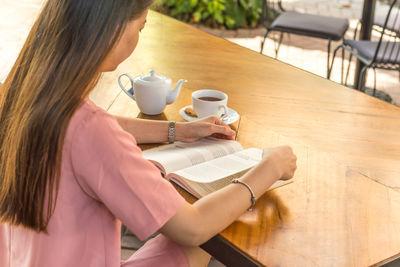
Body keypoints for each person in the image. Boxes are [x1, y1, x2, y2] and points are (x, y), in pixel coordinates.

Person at [0, 0, 297, 266]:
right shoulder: (91, 131)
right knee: (205, 236)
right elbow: (192, 228)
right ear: (112, 28)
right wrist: (269, 167)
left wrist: (177, 130)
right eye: (140, 26)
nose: (137, 39)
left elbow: (92, 125)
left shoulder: (19, 93)